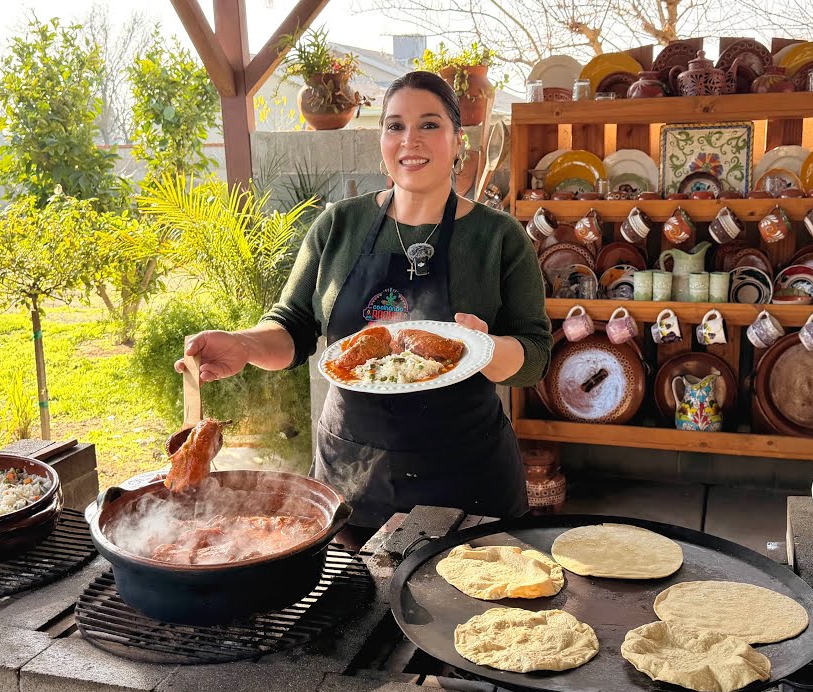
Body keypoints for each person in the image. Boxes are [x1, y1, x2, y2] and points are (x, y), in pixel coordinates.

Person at [174, 70, 552, 533]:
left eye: (429, 125)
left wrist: (487, 349)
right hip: (350, 475)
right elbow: (293, 325)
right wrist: (245, 345)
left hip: (466, 478)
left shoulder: (498, 238)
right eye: (395, 126)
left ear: (458, 142)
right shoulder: (339, 225)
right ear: (382, 141)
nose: (410, 139)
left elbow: (535, 357)